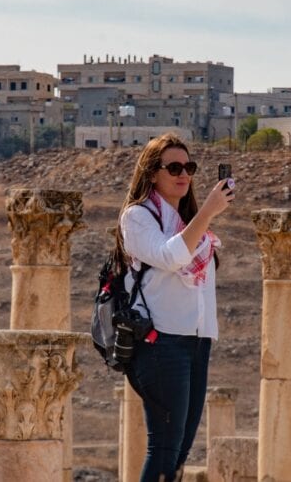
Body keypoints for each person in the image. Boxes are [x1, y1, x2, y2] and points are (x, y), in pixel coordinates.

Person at [115, 133, 234, 481]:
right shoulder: (137, 218)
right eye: (174, 167)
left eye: (190, 167)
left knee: (180, 450)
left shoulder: (187, 220)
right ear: (153, 173)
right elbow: (169, 256)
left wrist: (204, 214)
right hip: (161, 342)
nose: (184, 174)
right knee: (165, 447)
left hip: (197, 341)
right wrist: (209, 211)